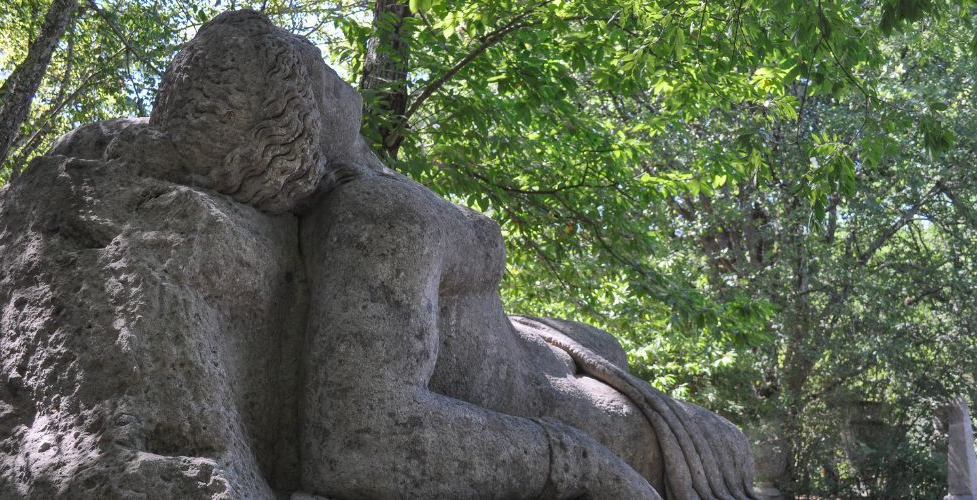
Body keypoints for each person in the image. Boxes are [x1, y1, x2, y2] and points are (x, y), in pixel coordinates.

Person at [146, 10, 756, 499]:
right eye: (319, 69)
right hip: (569, 416)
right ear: (299, 112)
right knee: (739, 448)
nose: (337, 73)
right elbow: (361, 440)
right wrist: (574, 461)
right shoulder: (376, 217)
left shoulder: (369, 193)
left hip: (554, 352)